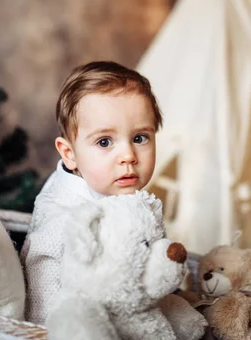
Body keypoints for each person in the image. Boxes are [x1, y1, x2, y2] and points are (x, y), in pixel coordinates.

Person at [21, 61, 163, 324]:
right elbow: (43, 298)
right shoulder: (63, 221)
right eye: (104, 142)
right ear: (70, 154)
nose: (128, 156)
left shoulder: (120, 193)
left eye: (140, 138)